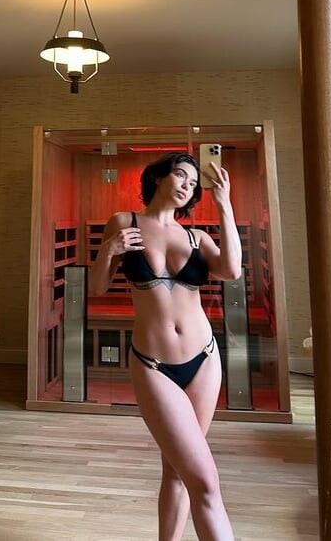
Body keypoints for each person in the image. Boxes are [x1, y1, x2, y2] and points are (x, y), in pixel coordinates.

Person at [89, 151, 242, 541]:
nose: (187, 186)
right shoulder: (124, 223)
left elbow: (231, 270)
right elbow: (97, 287)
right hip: (153, 365)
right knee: (204, 480)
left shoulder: (196, 238)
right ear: (158, 177)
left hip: (204, 359)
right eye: (180, 175)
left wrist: (224, 205)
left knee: (177, 470)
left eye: (193, 183)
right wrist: (109, 250)